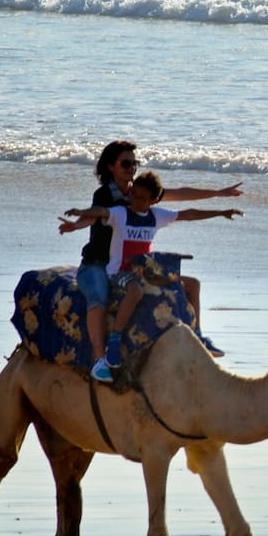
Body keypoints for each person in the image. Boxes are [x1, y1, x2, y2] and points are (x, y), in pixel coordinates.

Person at [60, 141, 241, 377]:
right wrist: (76, 224)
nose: (131, 168)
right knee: (98, 299)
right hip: (98, 263)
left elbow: (181, 196)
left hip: (135, 264)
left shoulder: (140, 191)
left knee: (187, 284)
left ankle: (197, 336)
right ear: (110, 166)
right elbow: (96, 214)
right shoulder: (105, 194)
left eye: (134, 163)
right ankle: (99, 360)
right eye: (126, 163)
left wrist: (219, 193)